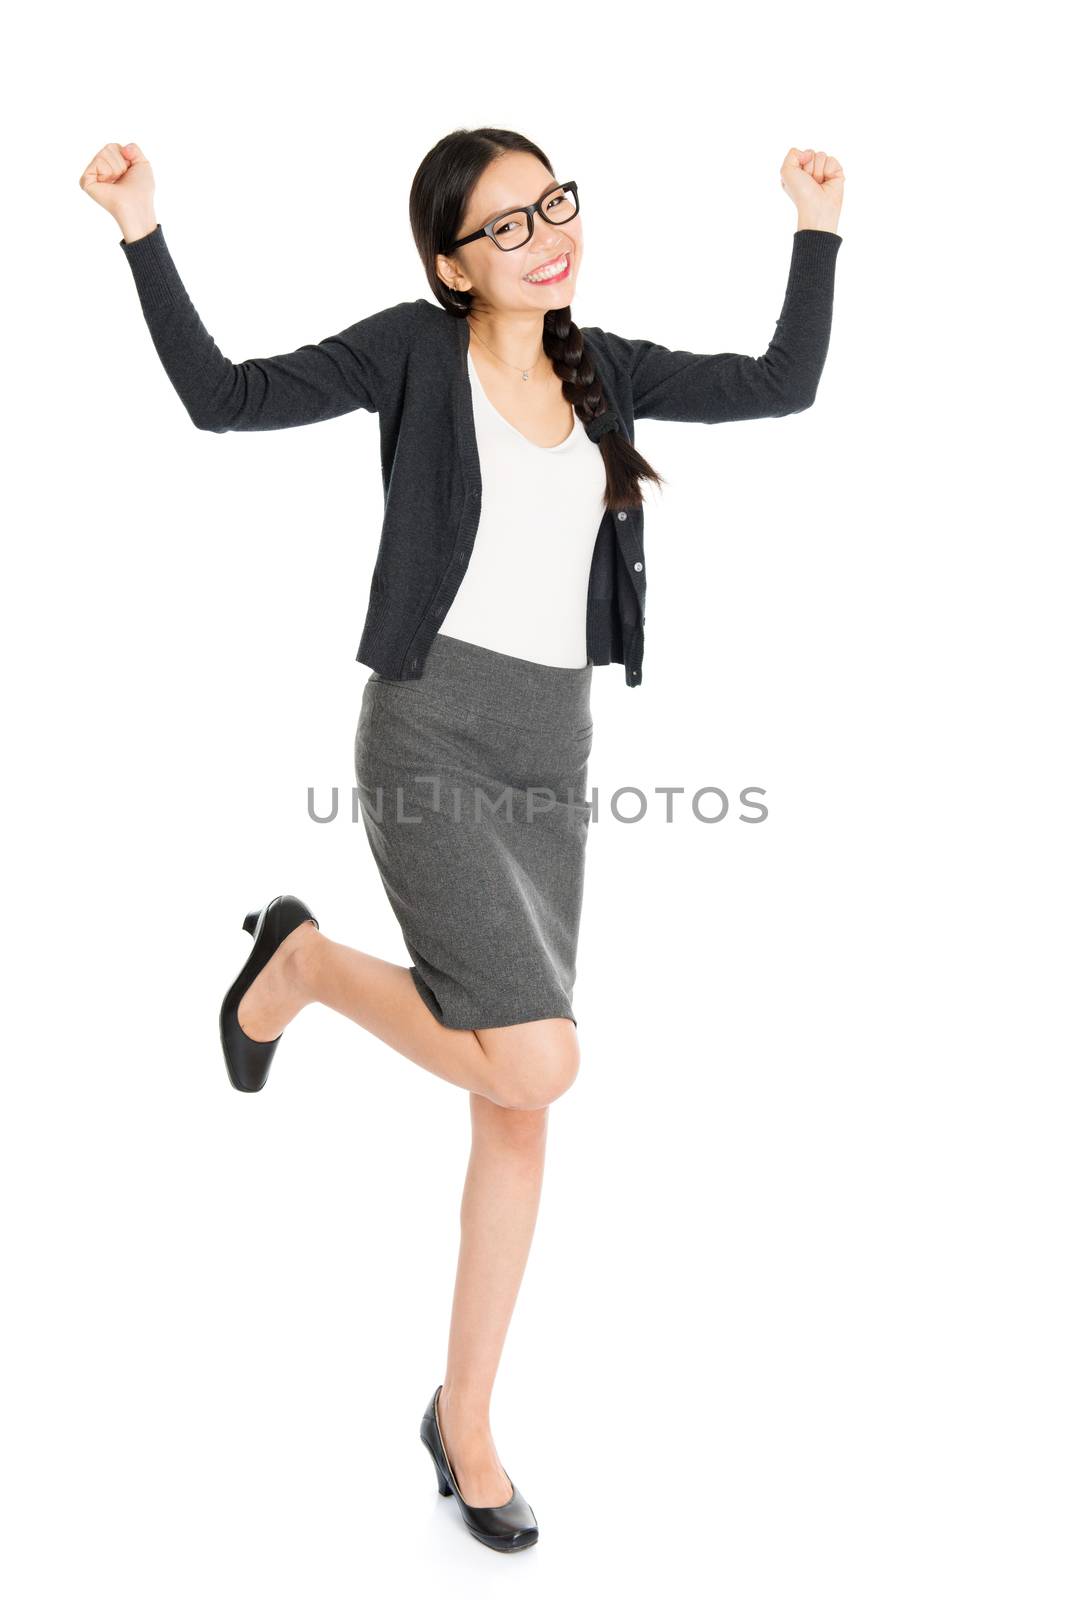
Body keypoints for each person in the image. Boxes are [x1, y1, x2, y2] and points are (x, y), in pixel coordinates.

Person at [80, 127, 845, 1552]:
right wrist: (143, 232)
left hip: (553, 754)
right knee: (543, 1052)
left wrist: (819, 228)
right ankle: (299, 967)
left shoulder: (598, 364)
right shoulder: (413, 356)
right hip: (429, 731)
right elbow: (222, 400)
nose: (548, 235)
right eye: (507, 226)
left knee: (514, 1100)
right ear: (449, 264)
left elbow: (783, 386)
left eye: (555, 203)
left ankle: (468, 1417)